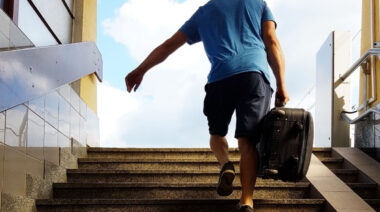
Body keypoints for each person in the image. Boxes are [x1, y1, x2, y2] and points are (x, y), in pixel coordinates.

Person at [125, 0, 289, 211]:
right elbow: (271, 40)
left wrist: (141, 70)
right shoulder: (257, 3)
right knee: (247, 140)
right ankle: (246, 199)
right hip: (253, 74)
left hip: (219, 78)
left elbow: (168, 46)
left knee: (217, 133)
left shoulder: (203, 13)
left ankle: (225, 164)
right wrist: (282, 84)